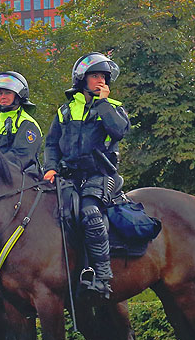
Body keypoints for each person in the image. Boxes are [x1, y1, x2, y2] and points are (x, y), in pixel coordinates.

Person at [43, 53, 130, 298]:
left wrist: (102, 102)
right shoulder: (65, 111)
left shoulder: (113, 108)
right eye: (95, 76)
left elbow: (119, 132)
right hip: (68, 177)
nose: (99, 80)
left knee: (90, 213)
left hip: (101, 176)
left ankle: (102, 278)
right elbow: (51, 144)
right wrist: (50, 167)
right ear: (82, 79)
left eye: (103, 76)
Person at [0, 71, 42, 175]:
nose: (3, 97)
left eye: (8, 92)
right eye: (0, 93)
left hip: (21, 181)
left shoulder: (27, 123)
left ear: (18, 96)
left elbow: (21, 156)